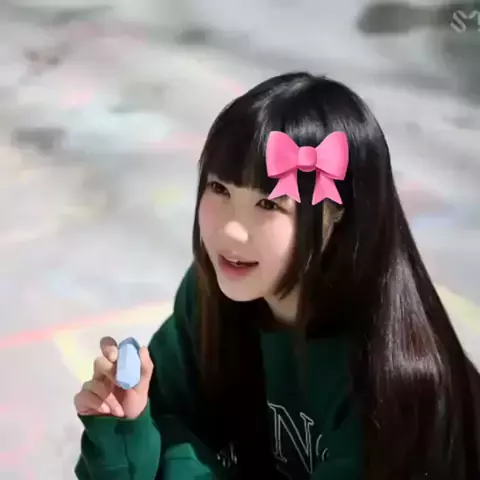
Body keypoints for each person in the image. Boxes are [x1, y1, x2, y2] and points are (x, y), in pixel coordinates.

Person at [73, 72, 480, 480]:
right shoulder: (209, 297)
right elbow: (157, 425)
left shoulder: (391, 381)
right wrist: (126, 427)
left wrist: (170, 458)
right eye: (220, 189)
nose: (231, 230)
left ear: (336, 217)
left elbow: (165, 449)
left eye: (269, 204)